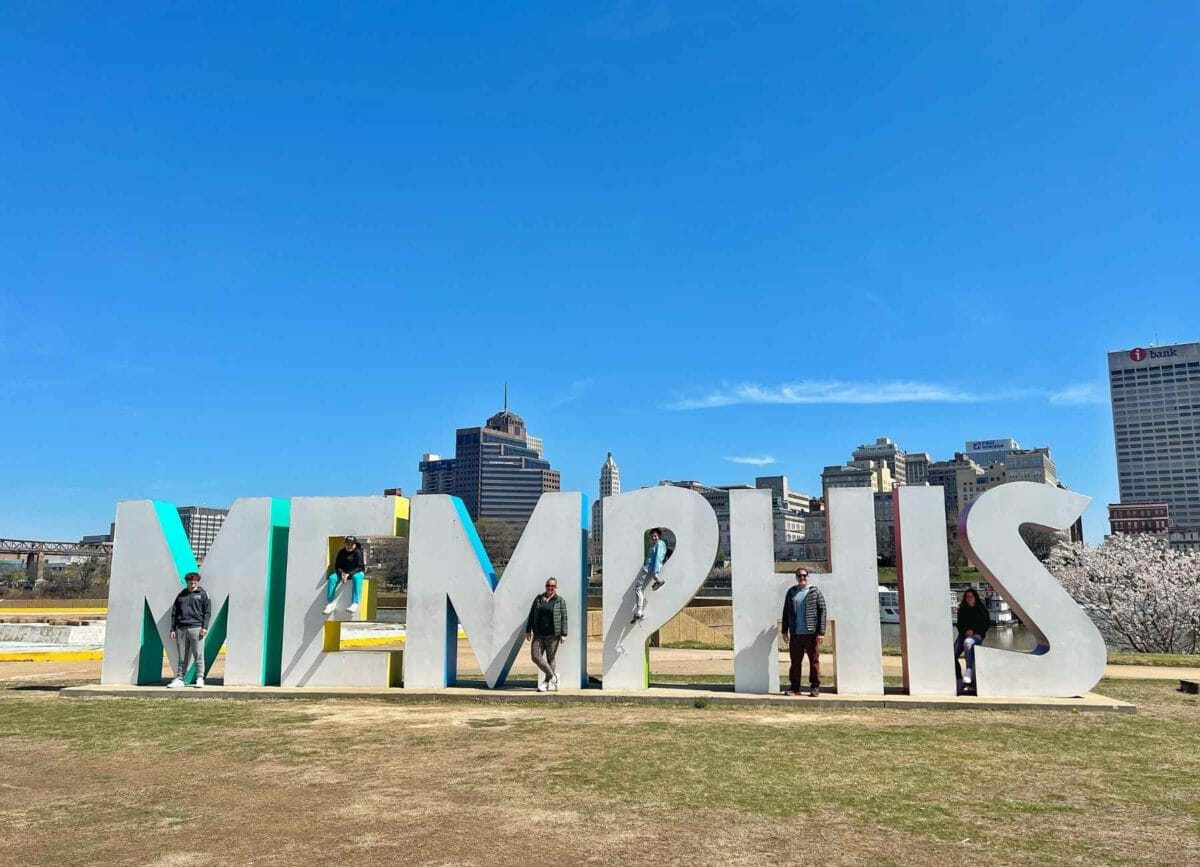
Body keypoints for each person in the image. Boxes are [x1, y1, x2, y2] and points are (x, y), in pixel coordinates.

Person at [781, 567, 826, 697]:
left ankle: (815, 687)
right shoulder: (791, 592)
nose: (802, 578)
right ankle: (795, 688)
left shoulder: (815, 592)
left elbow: (822, 612)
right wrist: (785, 631)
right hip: (796, 634)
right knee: (795, 662)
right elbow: (786, 612)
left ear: (808, 576)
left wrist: (821, 632)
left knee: (814, 662)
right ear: (796, 577)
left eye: (804, 575)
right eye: (799, 576)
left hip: (811, 634)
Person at [168, 571, 211, 689]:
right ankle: (180, 679)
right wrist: (173, 628)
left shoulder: (203, 594)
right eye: (190, 581)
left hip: (197, 628)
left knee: (198, 655)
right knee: (182, 656)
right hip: (181, 629)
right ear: (187, 582)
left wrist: (205, 627)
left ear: (198, 581)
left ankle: (200, 678)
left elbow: (207, 612)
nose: (193, 582)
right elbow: (174, 613)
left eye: (195, 580)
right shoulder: (181, 595)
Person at [526, 577, 568, 692]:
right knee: (535, 657)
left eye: (553, 586)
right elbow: (531, 614)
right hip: (538, 634)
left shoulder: (560, 601)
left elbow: (564, 618)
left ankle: (546, 683)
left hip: (553, 635)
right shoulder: (538, 599)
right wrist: (528, 630)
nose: (550, 588)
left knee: (551, 658)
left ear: (556, 588)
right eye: (548, 586)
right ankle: (554, 676)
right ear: (545, 586)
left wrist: (564, 634)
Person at [955, 586, 991, 691]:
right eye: (967, 597)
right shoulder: (963, 609)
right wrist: (965, 632)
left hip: (977, 635)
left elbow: (986, 624)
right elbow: (959, 625)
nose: (969, 598)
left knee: (968, 643)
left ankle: (969, 670)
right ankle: (959, 679)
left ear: (975, 597)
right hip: (963, 634)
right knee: (952, 655)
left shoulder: (981, 609)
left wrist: (974, 632)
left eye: (971, 596)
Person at [630, 528, 668, 623]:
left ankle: (639, 612)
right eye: (652, 536)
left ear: (659, 536)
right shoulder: (655, 544)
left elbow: (658, 558)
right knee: (639, 589)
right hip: (648, 568)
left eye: (655, 536)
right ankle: (639, 612)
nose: (654, 537)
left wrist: (656, 573)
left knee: (638, 588)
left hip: (648, 569)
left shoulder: (659, 544)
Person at [324, 536, 365, 616]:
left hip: (356, 572)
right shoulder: (341, 552)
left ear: (355, 544)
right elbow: (337, 566)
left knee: (357, 577)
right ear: (345, 544)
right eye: (347, 544)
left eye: (352, 544)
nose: (349, 546)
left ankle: (355, 603)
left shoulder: (358, 552)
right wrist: (342, 573)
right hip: (343, 573)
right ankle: (330, 603)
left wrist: (349, 574)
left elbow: (360, 567)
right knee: (332, 578)